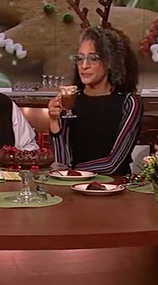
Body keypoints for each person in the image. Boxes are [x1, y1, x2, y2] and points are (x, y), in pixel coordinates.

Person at [47, 26, 143, 175]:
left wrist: (72, 171)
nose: (84, 66)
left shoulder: (129, 103)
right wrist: (54, 122)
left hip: (114, 186)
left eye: (93, 58)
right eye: (80, 58)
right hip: (73, 184)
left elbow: (113, 165)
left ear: (109, 62)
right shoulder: (70, 100)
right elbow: (62, 163)